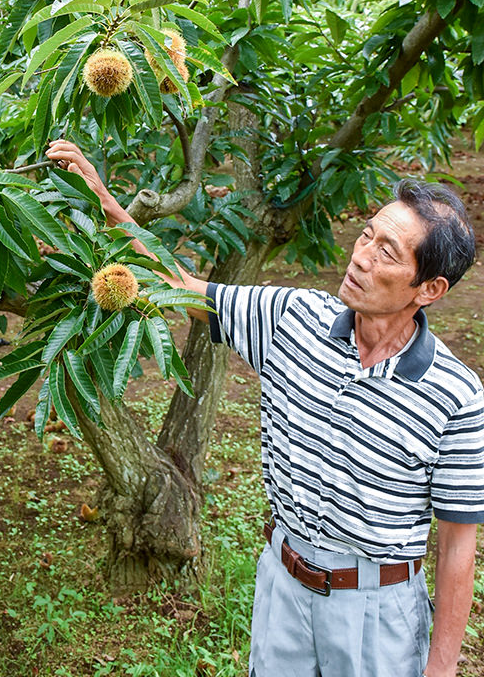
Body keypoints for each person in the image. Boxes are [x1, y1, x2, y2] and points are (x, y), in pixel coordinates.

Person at [45, 139, 484, 677]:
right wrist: (107, 208)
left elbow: (458, 546)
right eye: (367, 234)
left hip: (378, 611)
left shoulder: (455, 395)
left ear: (431, 288)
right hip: (285, 584)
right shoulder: (291, 317)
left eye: (388, 252)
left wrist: (440, 671)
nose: (361, 255)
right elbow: (181, 288)